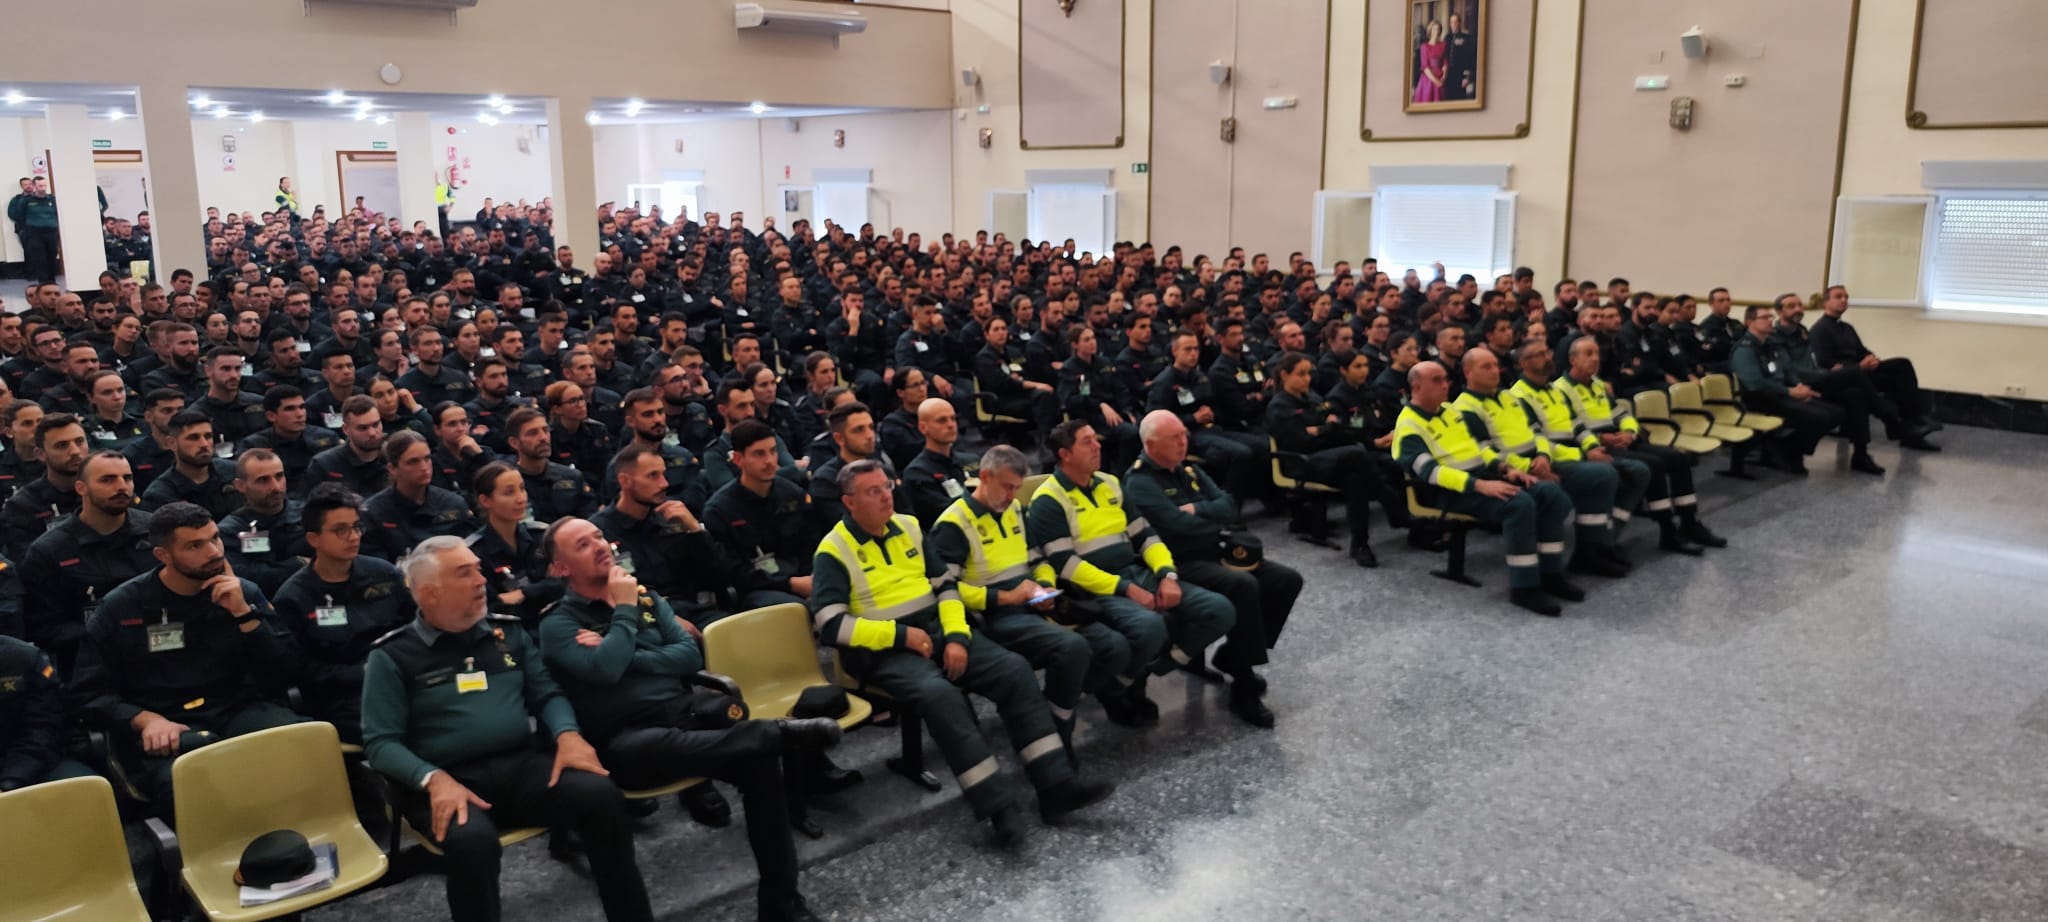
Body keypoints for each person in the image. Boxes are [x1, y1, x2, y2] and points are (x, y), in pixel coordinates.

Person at [536, 517, 836, 922]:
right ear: (560, 568)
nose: (599, 545)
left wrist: (623, 652)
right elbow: (604, 672)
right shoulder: (558, 623)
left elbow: (689, 655)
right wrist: (623, 612)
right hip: (627, 737)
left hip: (685, 714)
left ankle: (782, 903)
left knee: (760, 765)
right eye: (582, 545)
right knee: (737, 745)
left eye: (598, 537)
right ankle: (774, 734)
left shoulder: (645, 596)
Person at [811, 460, 1113, 845]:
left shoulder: (909, 527)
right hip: (884, 652)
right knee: (942, 696)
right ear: (849, 502)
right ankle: (998, 807)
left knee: (1013, 670)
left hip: (939, 630)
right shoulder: (833, 550)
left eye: (887, 486)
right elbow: (831, 625)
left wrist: (956, 636)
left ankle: (1056, 787)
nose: (886, 496)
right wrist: (900, 636)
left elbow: (947, 589)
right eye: (873, 491)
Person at [361, 536, 656, 922]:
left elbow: (546, 694)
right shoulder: (393, 655)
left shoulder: (508, 633)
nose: (482, 580)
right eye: (465, 573)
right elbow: (381, 743)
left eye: (479, 569)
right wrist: (432, 779)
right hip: (450, 779)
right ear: (430, 593)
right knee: (473, 844)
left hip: (520, 764)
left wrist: (568, 734)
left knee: (600, 795)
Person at [70, 502, 304, 820]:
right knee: (190, 780)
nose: (213, 552)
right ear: (163, 555)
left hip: (236, 708)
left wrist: (245, 616)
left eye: (215, 539)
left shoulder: (244, 593)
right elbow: (88, 694)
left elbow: (286, 671)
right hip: (167, 720)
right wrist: (144, 719)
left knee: (304, 743)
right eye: (195, 545)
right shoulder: (121, 607)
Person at [1025, 420, 1237, 726]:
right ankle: (1120, 687)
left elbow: (1146, 537)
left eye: (1096, 440)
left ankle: (1124, 682)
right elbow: (1066, 565)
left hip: (1136, 570)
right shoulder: (1049, 499)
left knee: (1219, 610)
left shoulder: (1110, 482)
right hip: (1093, 587)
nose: (1098, 445)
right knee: (1151, 628)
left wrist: (1167, 574)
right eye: (1087, 442)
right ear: (1065, 454)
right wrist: (1126, 589)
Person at [929, 445, 1128, 749]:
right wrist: (1006, 597)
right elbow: (947, 590)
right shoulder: (954, 524)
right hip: (996, 613)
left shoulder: (1016, 511)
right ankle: (1056, 728)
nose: (1012, 496)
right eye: (1007, 487)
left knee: (1114, 646)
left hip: (1034, 602)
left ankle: (1050, 712)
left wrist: (1044, 586)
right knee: (1072, 647)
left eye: (1017, 489)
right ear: (984, 476)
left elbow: (1040, 561)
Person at [1123, 411, 1293, 728]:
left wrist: (1196, 510)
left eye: (1184, 435)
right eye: (1174, 438)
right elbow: (1176, 527)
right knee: (1243, 586)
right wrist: (1205, 517)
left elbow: (1229, 506)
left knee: (1286, 580)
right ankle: (1243, 685)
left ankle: (1232, 655)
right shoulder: (1139, 483)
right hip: (1177, 564)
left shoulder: (1188, 469)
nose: (1183, 442)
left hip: (1215, 553)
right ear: (1150, 444)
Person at [1394, 361, 1582, 617]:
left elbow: (1478, 449)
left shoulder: (1448, 410)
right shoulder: (1408, 426)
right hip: (1449, 492)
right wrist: (1480, 485)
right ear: (1416, 387)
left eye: (1446, 379)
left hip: (1481, 478)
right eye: (1436, 380)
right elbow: (1431, 473)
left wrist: (1506, 469)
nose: (1445, 385)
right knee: (1519, 504)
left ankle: (1550, 573)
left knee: (1550, 494)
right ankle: (1524, 587)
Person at [1455, 349, 1629, 579]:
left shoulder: (1508, 397)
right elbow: (1486, 452)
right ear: (1468, 372)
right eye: (1486, 367)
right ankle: (1545, 573)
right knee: (1560, 492)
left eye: (1496, 365)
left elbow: (1538, 434)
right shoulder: (1465, 406)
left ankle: (1592, 550)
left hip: (1541, 461)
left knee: (1602, 475)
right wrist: (1530, 467)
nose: (1495, 371)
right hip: (1511, 470)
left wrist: (1543, 457)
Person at [272, 485, 415, 744]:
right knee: (406, 726)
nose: (353, 537)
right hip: (343, 696)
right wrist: (364, 673)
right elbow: (300, 669)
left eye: (356, 527)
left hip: (401, 677)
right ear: (314, 539)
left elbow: (413, 627)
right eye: (340, 530)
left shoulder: (385, 574)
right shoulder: (293, 598)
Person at [1557, 337, 1731, 550]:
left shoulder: (1598, 385)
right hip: (1596, 446)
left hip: (1621, 439)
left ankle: (1690, 522)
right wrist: (1602, 438)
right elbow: (1567, 426)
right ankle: (1667, 530)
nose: (1595, 359)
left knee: (1677, 458)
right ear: (1572, 359)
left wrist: (1629, 431)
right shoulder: (1561, 389)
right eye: (1588, 354)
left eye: (1597, 354)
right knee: (1654, 464)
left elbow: (1622, 414)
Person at [1510, 341, 1648, 569]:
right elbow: (1536, 438)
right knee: (1603, 474)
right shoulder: (1518, 395)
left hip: (1577, 451)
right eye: (1539, 355)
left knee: (1638, 471)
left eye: (1547, 352)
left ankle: (1604, 542)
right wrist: (1583, 453)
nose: (1547, 358)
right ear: (1523, 363)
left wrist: (1592, 447)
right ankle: (1588, 552)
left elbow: (1577, 426)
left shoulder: (1553, 390)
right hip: (1551, 457)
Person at [20, 450, 156, 674]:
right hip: (90, 664)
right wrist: (108, 634)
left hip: (162, 653)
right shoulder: (50, 550)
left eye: (127, 478)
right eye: (108, 480)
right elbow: (43, 627)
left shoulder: (155, 531)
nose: (122, 487)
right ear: (81, 487)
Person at [1263, 351, 1404, 565]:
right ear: (1284, 375)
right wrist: (1326, 428)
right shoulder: (1279, 406)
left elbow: (1335, 428)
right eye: (1300, 374)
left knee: (1355, 479)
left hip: (1327, 458)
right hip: (1301, 462)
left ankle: (1360, 545)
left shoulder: (1313, 397)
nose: (1307, 379)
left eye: (1308, 374)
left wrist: (1321, 430)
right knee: (1357, 452)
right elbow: (1301, 441)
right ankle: (1393, 505)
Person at [702, 420, 818, 612]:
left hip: (803, 578)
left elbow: (811, 544)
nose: (770, 461)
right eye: (759, 454)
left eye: (773, 451)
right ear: (738, 460)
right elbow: (734, 572)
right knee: (796, 609)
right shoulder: (719, 510)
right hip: (758, 589)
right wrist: (791, 584)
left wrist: (813, 578)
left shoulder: (792, 494)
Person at [1809, 285, 1939, 451]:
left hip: (1862, 370)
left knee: (1902, 365)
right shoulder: (1820, 330)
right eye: (1838, 296)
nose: (1844, 300)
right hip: (1847, 376)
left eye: (1846, 297)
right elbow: (1824, 363)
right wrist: (1859, 366)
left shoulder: (1846, 327)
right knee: (1883, 383)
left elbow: (1861, 351)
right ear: (1826, 302)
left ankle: (1914, 419)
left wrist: (1871, 359)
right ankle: (1903, 427)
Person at [1730, 304, 1853, 476]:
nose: (1770, 321)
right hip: (1761, 399)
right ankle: (1790, 451)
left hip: (1782, 393)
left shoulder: (1771, 345)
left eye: (1770, 317)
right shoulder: (1745, 349)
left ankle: (1787, 447)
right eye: (1764, 318)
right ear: (1750, 322)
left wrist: (1798, 386)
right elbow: (1755, 383)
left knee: (1837, 413)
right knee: (1819, 417)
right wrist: (1790, 392)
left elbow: (1787, 370)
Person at [467, 462, 563, 632]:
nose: (521, 498)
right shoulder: (474, 552)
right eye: (509, 492)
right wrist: (545, 587)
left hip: (556, 621)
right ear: (486, 500)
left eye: (522, 488)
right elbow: (490, 606)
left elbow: (565, 582)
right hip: (511, 632)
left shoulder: (541, 535)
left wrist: (524, 593)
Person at [0, 634, 95, 792]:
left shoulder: (24, 658)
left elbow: (43, 729)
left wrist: (11, 781)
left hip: (25, 762)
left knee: (83, 791)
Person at [365, 430, 476, 560]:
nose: (424, 467)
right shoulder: (373, 512)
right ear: (393, 469)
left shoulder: (453, 503)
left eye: (427, 458)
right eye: (413, 462)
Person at [219, 449, 311, 598]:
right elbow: (243, 578)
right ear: (240, 485)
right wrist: (297, 564)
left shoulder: (310, 516)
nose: (275, 487)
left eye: (279, 476)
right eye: (263, 480)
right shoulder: (229, 531)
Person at [0, 413, 88, 559]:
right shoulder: (22, 506)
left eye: (79, 442)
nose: (75, 451)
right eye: (62, 445)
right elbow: (29, 566)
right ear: (40, 454)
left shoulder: (106, 488)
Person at [138, 410, 240, 520]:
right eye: (193, 438)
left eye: (208, 436)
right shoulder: (159, 495)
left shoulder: (234, 471)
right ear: (172, 443)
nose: (204, 444)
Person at [900, 397, 972, 528]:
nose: (951, 425)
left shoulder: (971, 460)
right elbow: (946, 515)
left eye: (953, 418)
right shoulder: (917, 473)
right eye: (942, 420)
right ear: (923, 428)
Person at [305, 395, 391, 496]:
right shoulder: (324, 465)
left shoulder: (396, 457)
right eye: (363, 428)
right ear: (346, 429)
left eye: (376, 425)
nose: (372, 433)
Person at [1413, 19, 1448, 105]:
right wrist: (1436, 81)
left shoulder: (1443, 45)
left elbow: (1445, 63)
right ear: (1430, 31)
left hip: (1441, 79)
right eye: (1434, 29)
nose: (1437, 31)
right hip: (1428, 81)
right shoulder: (1424, 47)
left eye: (1438, 29)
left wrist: (1444, 77)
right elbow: (1425, 67)